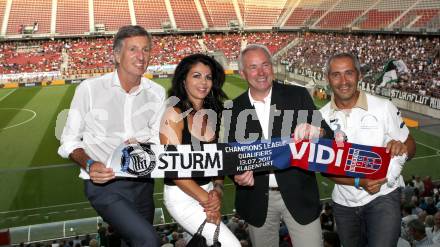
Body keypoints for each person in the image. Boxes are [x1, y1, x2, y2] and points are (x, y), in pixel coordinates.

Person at [58, 25, 164, 247]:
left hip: (143, 183)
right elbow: (69, 140)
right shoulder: (89, 89)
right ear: (116, 55)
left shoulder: (156, 92)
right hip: (105, 186)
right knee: (148, 241)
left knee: (133, 242)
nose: (141, 56)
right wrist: (89, 163)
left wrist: (146, 145)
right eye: (133, 49)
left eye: (146, 50)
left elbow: (157, 139)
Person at [222, 44, 333, 247]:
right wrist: (236, 173)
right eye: (253, 67)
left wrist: (317, 131)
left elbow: (329, 136)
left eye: (265, 65)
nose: (262, 72)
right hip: (257, 200)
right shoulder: (233, 109)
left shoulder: (297, 96)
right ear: (242, 73)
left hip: (300, 195)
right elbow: (231, 154)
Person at [319, 52, 416, 247]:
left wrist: (401, 148)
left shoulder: (383, 107)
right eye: (336, 74)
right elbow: (324, 168)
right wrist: (359, 181)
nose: (343, 81)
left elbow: (411, 145)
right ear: (327, 78)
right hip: (344, 205)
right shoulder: (320, 117)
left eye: (349, 73)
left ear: (359, 75)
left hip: (383, 198)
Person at [160, 54, 240, 246]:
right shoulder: (173, 114)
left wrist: (218, 189)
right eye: (196, 75)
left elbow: (216, 160)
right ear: (183, 80)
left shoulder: (210, 114)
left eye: (208, 77)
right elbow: (174, 170)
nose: (203, 82)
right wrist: (208, 201)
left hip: (209, 193)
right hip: (183, 196)